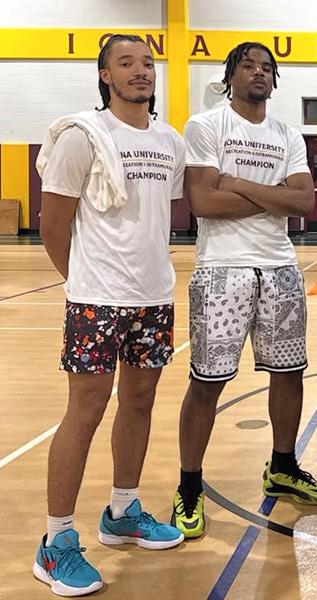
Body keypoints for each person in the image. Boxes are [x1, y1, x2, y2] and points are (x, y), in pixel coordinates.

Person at [34, 34, 185, 596]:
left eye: (147, 63)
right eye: (126, 63)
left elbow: (154, 219)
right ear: (105, 75)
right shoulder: (80, 136)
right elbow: (53, 226)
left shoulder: (169, 140)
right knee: (85, 411)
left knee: (140, 402)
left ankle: (122, 512)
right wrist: (82, 286)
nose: (140, 71)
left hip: (154, 294)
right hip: (97, 298)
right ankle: (55, 542)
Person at [171, 42, 317, 540]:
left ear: (274, 81)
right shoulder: (206, 125)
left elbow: (304, 202)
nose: (258, 72)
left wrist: (239, 184)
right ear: (230, 76)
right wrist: (274, 199)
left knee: (289, 374)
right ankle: (189, 485)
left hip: (280, 267)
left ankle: (282, 465)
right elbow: (203, 201)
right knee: (208, 380)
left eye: (266, 67)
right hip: (222, 269)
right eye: (248, 65)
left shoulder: (287, 133)